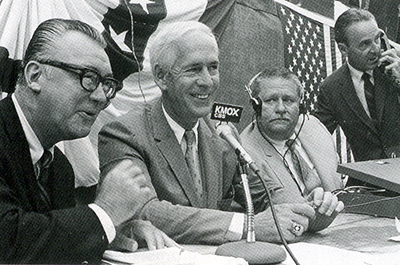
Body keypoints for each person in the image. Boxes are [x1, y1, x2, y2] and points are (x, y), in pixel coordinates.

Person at [98, 21, 322, 245]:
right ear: (161, 77)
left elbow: (265, 193)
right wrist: (247, 226)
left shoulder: (222, 134)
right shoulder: (125, 133)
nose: (207, 81)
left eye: (213, 68)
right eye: (194, 69)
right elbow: (143, 210)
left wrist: (309, 210)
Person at [0, 18, 175, 264]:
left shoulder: (59, 168)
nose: (102, 97)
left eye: (107, 84)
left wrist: (108, 232)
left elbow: (46, 242)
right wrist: (104, 215)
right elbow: (8, 245)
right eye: (88, 77)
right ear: (35, 76)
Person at [239, 67, 344, 232]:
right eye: (271, 100)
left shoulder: (313, 126)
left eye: (288, 100)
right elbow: (286, 211)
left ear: (300, 105)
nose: (281, 108)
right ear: (256, 105)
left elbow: (337, 187)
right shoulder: (246, 152)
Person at [314, 8, 400, 187]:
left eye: (377, 39)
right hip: (369, 185)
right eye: (364, 44)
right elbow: (314, 138)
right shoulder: (331, 88)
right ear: (343, 49)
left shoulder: (395, 68)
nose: (375, 49)